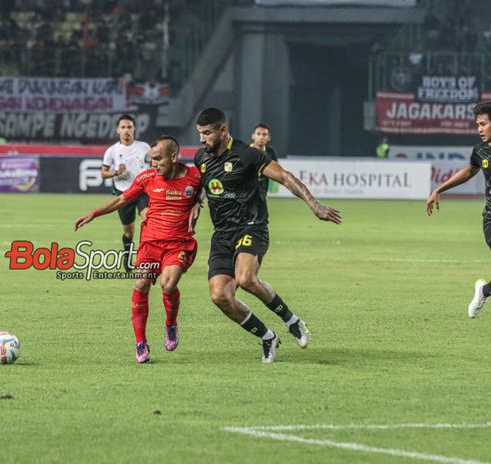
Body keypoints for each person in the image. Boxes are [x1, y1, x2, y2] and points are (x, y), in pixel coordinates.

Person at [190, 108, 342, 363]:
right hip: (222, 234)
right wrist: (197, 201)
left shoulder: (247, 154)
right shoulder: (201, 158)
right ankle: (267, 336)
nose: (202, 139)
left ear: (222, 130)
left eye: (206, 133)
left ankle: (291, 319)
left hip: (252, 225)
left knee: (246, 278)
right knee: (219, 296)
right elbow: (204, 183)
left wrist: (314, 204)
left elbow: (284, 176)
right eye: (200, 134)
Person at [76, 136, 202, 363]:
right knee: (141, 283)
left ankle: (170, 323)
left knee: (169, 283)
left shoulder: (194, 176)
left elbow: (209, 188)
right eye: (151, 159)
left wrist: (198, 201)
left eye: (158, 159)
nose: (153, 164)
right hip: (150, 244)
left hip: (178, 243)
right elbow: (121, 200)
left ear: (173, 157)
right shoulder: (147, 178)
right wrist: (92, 214)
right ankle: (140, 342)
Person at [426, 100, 491, 318]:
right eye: (477, 124)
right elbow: (468, 172)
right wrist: (439, 189)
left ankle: (483, 291)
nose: (479, 129)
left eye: (483, 124)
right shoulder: (480, 152)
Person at [101, 114, 150, 271]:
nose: (126, 130)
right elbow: (103, 173)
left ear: (134, 128)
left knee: (148, 221)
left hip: (143, 192)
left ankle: (146, 258)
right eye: (123, 127)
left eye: (129, 127)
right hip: (124, 194)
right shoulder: (112, 151)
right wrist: (116, 173)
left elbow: (156, 163)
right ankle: (127, 257)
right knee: (129, 231)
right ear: (118, 130)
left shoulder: (145, 147)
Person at [250, 123, 279, 198]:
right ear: (253, 136)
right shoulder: (245, 151)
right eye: (258, 134)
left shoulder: (271, 153)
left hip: (261, 194)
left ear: (269, 137)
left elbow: (276, 171)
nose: (261, 137)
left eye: (264, 134)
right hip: (245, 195)